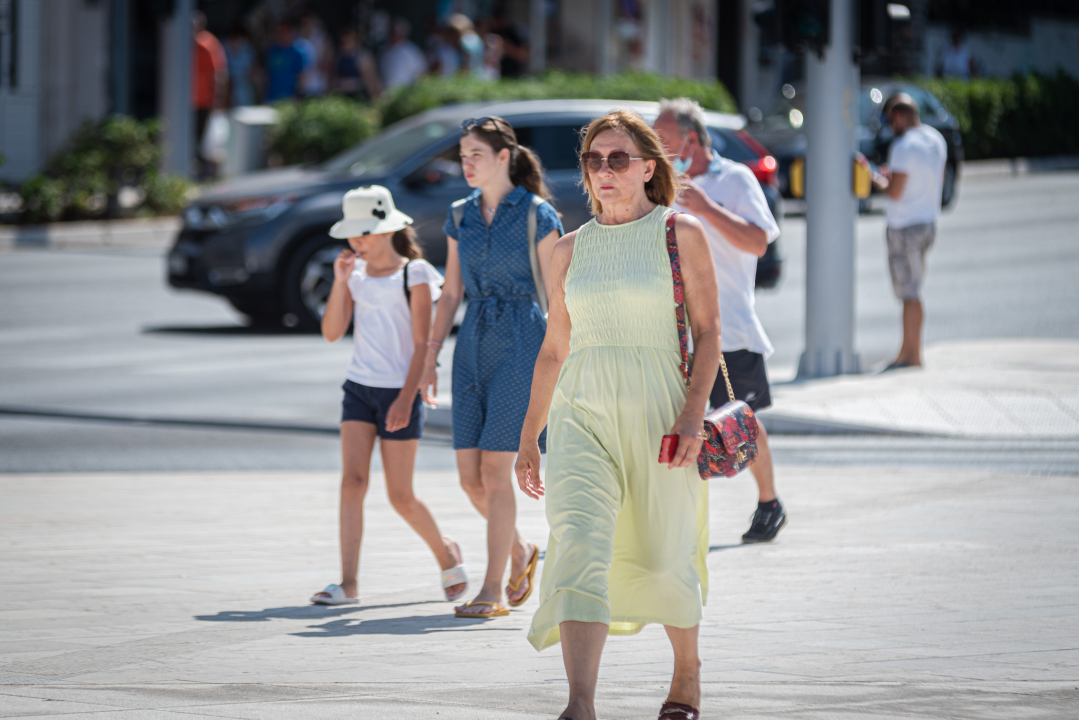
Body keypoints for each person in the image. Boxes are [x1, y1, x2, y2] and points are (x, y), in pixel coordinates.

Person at [515, 109, 721, 720]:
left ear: (648, 168)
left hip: (661, 412)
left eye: (618, 159)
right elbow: (555, 348)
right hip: (581, 411)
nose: (604, 170)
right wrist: (529, 435)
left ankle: (687, 671)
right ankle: (580, 703)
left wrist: (691, 416)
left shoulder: (680, 233)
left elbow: (709, 335)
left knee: (662, 557)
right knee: (576, 543)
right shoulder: (567, 250)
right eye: (593, 160)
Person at [421, 117, 564, 619]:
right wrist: (429, 356)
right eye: (462, 155)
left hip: (523, 340)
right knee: (469, 477)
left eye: (475, 154)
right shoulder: (459, 214)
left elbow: (559, 295)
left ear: (504, 157)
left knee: (494, 471)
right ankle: (522, 551)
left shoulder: (537, 215)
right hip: (473, 341)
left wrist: (561, 355)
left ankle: (492, 590)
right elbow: (452, 292)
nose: (466, 164)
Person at [313, 185, 468, 607]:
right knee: (352, 482)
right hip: (358, 390)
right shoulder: (356, 275)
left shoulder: (414, 273)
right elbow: (331, 332)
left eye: (364, 232)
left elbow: (422, 344)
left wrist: (405, 399)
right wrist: (341, 283)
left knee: (400, 495)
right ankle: (348, 584)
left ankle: (445, 552)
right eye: (352, 233)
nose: (356, 241)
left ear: (386, 231)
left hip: (399, 392)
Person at [652, 98, 786, 544]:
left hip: (730, 329)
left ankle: (769, 502)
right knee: (683, 425)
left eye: (663, 138)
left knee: (739, 421)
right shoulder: (659, 184)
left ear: (691, 138)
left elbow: (758, 242)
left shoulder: (736, 178)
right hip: (674, 335)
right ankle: (682, 518)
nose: (656, 147)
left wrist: (707, 209)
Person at [871, 93, 947, 369]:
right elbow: (931, 179)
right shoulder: (935, 139)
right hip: (927, 222)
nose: (891, 127)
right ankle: (908, 352)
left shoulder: (903, 146)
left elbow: (895, 191)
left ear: (900, 117)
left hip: (904, 226)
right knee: (913, 289)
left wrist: (875, 178)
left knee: (910, 293)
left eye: (891, 121)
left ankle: (911, 356)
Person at [192, 12, 228, 178]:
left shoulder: (207, 43)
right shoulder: (185, 42)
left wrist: (217, 98)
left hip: (204, 100)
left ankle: (208, 175)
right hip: (189, 101)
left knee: (206, 141)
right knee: (193, 139)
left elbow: (218, 73)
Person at [334, 28, 383, 100]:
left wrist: (376, 97)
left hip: (359, 96)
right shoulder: (339, 56)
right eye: (343, 41)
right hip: (342, 96)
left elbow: (372, 79)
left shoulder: (362, 56)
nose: (346, 42)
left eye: (348, 40)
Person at [380, 17, 428, 89]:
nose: (391, 34)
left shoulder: (412, 51)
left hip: (405, 95)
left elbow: (421, 75)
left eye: (394, 31)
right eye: (390, 31)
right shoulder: (384, 50)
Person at [265, 21, 305, 102]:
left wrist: (298, 96)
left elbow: (300, 78)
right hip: (272, 97)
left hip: (289, 97)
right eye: (278, 32)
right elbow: (266, 74)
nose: (281, 34)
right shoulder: (271, 51)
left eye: (284, 31)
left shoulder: (297, 53)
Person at [224, 28, 256, 107]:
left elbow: (252, 71)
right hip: (229, 87)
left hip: (245, 86)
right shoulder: (225, 48)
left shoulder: (248, 49)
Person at [448, 14, 485, 78]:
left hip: (470, 75)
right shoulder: (475, 37)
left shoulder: (466, 39)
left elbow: (467, 57)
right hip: (478, 73)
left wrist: (464, 74)